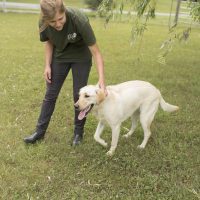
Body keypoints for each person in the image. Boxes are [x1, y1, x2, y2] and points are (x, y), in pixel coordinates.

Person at [23, 0, 106, 146]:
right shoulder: (43, 22)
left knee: (78, 95)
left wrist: (101, 80)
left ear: (64, 11)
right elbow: (49, 41)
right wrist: (47, 65)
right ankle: (39, 132)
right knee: (50, 95)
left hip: (81, 57)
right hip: (60, 56)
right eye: (53, 22)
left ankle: (78, 134)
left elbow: (96, 53)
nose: (58, 24)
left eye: (60, 19)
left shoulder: (79, 20)